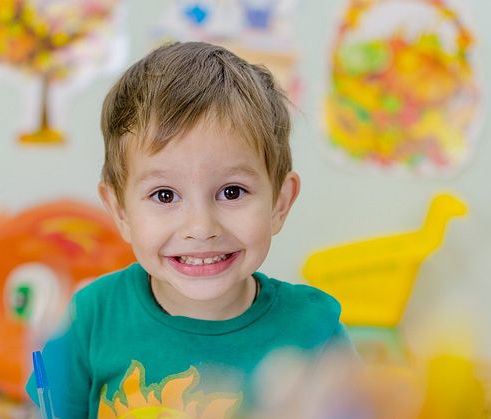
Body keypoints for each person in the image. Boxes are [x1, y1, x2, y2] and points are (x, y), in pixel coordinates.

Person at [26, 41, 350, 419]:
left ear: (280, 202)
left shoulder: (316, 328)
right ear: (120, 210)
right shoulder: (89, 319)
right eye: (164, 195)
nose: (201, 227)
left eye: (232, 192)